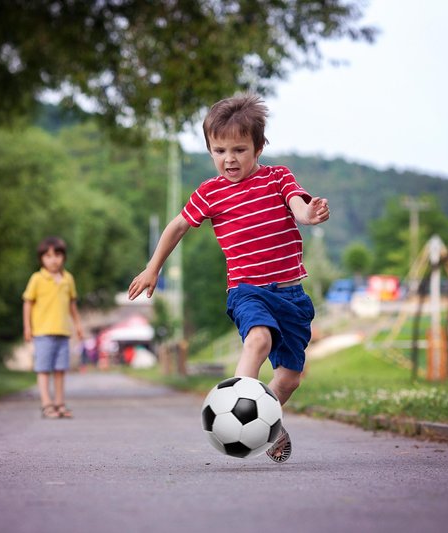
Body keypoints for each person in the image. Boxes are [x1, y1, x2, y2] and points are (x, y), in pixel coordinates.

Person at [128, 94, 330, 462]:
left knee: (289, 379)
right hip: (247, 290)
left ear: (259, 146)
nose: (229, 159)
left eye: (239, 149)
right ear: (209, 150)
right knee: (258, 340)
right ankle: (235, 407)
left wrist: (309, 214)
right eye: (219, 150)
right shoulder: (210, 193)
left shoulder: (278, 177)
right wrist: (152, 267)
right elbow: (177, 227)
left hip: (291, 295)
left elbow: (298, 206)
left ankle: (264, 420)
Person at [23, 236, 84, 419]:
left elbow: (72, 305)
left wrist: (78, 325)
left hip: (63, 332)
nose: (53, 259)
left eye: (57, 255)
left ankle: (59, 403)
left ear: (63, 257)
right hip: (42, 333)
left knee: (60, 370)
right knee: (43, 369)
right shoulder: (37, 279)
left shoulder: (68, 279)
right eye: (48, 256)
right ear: (41, 258)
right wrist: (27, 327)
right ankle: (46, 404)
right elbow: (28, 303)